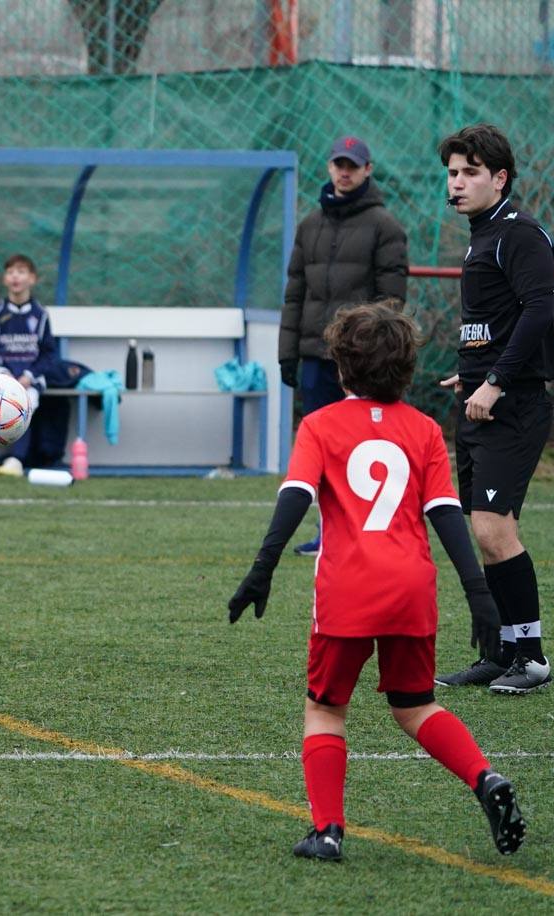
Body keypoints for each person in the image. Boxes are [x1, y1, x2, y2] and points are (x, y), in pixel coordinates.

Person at [228, 303, 525, 862]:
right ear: (408, 369)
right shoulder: (425, 430)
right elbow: (445, 514)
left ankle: (327, 831)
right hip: (412, 587)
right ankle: (484, 777)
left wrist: (261, 568)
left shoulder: (320, 425)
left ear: (342, 367)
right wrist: (479, 593)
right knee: (414, 706)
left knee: (325, 708)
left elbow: (296, 497)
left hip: (348, 589)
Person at [434, 124, 554, 695]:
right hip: (482, 399)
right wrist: (475, 373)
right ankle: (502, 650)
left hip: (514, 405)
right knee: (486, 531)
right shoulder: (480, 234)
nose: (457, 183)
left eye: (469, 173)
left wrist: (499, 381)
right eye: (453, 173)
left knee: (492, 527)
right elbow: (498, 321)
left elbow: (537, 314)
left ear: (499, 177)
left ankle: (530, 657)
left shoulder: (520, 233)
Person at [279, 135, 408, 555]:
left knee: (365, 449)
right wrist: (288, 351)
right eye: (339, 163)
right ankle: (327, 534)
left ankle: (367, 532)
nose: (345, 171)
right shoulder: (309, 225)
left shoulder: (385, 226)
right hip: (317, 357)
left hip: (362, 365)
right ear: (330, 167)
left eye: (353, 165)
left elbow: (392, 302)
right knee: (321, 449)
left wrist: (374, 355)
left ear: (368, 170)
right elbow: (295, 293)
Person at [0, 254, 57, 477]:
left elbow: (49, 354)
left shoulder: (40, 315)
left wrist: (30, 375)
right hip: (2, 377)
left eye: (21, 272)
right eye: (11, 272)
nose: (15, 277)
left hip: (29, 379)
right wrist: (3, 374)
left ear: (32, 279)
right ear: (5, 279)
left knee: (25, 403)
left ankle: (15, 459)